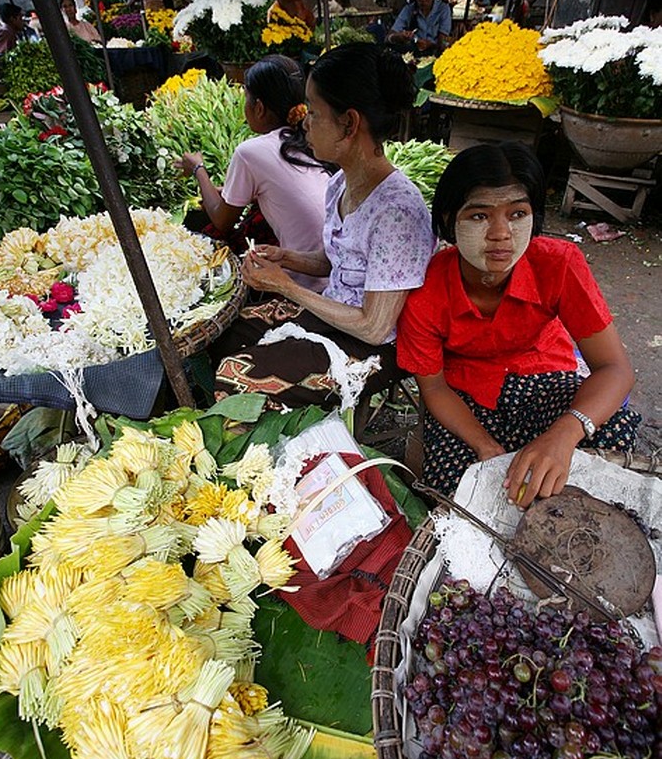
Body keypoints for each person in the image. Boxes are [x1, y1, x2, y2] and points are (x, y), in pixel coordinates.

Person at [397, 142, 641, 508]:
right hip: (464, 398)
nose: (501, 233)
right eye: (479, 216)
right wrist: (486, 448)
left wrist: (563, 434)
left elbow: (615, 369)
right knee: (456, 491)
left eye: (517, 214)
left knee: (614, 430)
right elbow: (434, 390)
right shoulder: (425, 291)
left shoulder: (559, 264)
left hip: (541, 379)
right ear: (449, 219)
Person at [209, 43, 434, 408]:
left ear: (349, 123)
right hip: (335, 312)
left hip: (375, 346)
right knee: (224, 333)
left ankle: (279, 455)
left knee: (236, 376)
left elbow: (375, 327)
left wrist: (286, 287)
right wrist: (287, 258)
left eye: (314, 112)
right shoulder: (340, 183)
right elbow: (337, 262)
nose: (304, 122)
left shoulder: (397, 213)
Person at [178, 55, 332, 292]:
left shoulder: (250, 152)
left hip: (308, 282)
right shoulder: (309, 139)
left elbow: (222, 220)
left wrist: (198, 169)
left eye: (246, 98)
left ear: (259, 108)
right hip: (335, 269)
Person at [386, 0, 452, 56]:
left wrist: (431, 44)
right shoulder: (409, 9)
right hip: (411, 57)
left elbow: (442, 43)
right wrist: (398, 37)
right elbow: (388, 38)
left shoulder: (443, 10)